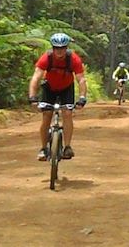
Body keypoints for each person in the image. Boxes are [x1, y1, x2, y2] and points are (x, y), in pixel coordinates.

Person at [28, 32, 87, 161]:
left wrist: (82, 97)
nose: (59, 51)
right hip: (49, 88)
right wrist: (32, 96)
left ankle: (67, 147)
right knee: (46, 115)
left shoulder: (73, 59)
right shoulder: (46, 58)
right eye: (56, 48)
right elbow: (36, 77)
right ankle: (43, 148)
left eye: (62, 48)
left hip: (67, 88)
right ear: (53, 48)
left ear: (66, 48)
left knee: (67, 113)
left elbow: (81, 79)